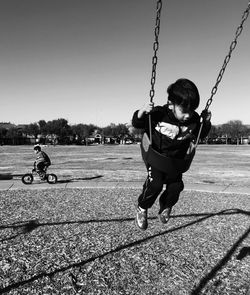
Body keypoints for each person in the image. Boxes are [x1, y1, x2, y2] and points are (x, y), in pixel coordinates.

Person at [132, 78, 212, 230]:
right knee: (155, 184)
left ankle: (165, 206)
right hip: (155, 156)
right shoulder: (159, 114)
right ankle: (142, 207)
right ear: (171, 104)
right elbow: (137, 123)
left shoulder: (194, 119)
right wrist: (142, 112)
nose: (188, 115)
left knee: (176, 187)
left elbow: (201, 134)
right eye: (184, 110)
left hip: (176, 161)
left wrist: (206, 122)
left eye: (191, 110)